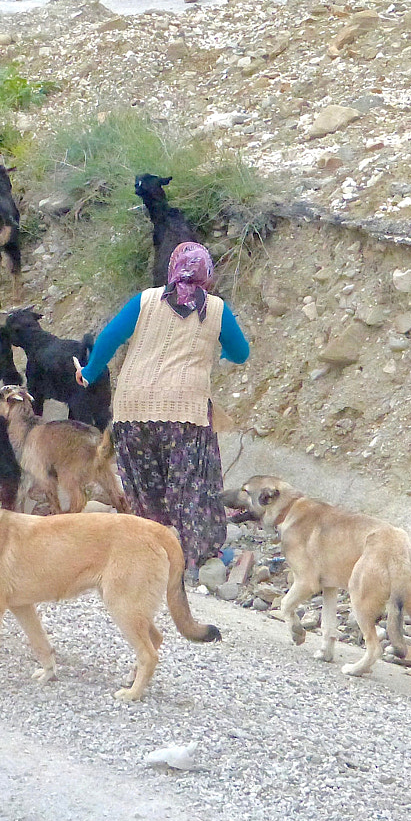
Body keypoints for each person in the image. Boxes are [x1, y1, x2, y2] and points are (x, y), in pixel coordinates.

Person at [75, 242, 248, 575]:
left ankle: (149, 550)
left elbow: (109, 338)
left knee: (144, 483)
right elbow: (241, 352)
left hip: (132, 409)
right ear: (206, 274)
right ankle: (197, 556)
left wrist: (88, 373)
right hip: (186, 413)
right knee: (193, 483)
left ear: (173, 269)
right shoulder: (216, 309)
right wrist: (223, 352)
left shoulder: (145, 300)